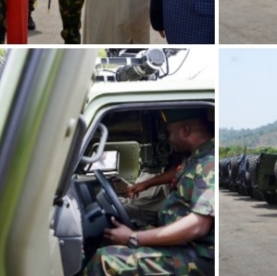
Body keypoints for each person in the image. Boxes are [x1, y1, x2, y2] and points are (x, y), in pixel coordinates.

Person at [84, 108, 215, 275]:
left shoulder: (209, 162)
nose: (169, 138)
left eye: (169, 132)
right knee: (108, 240)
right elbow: (178, 171)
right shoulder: (197, 158)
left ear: (185, 130)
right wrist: (145, 184)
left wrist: (133, 237)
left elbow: (198, 226)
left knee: (106, 260)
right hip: (184, 244)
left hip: (198, 255)